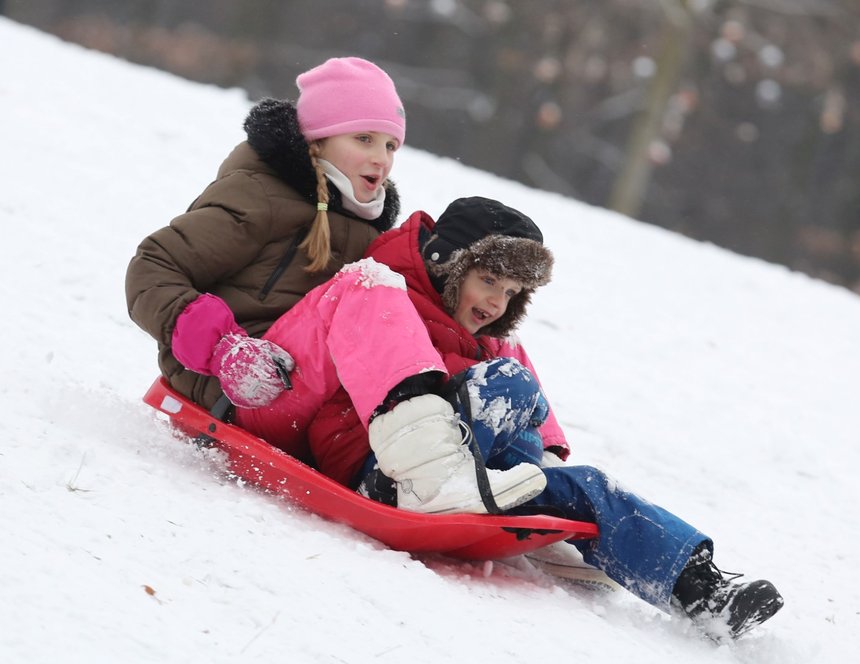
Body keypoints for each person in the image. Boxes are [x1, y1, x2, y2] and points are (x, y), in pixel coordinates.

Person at [248, 196, 784, 639]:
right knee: (510, 382)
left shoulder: (489, 341)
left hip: (467, 475)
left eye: (510, 293)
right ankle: (429, 479)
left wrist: (548, 471)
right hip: (380, 464)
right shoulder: (385, 296)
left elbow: (527, 406)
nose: (496, 303)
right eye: (488, 282)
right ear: (446, 264)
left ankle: (702, 592)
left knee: (589, 483)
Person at [126, 56, 405, 415]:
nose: (381, 158)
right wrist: (224, 350)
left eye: (390, 146)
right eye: (364, 138)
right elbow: (154, 266)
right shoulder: (261, 196)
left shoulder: (371, 232)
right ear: (318, 141)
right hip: (232, 380)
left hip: (314, 386)